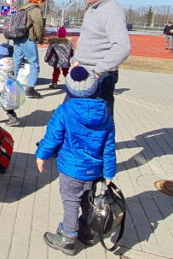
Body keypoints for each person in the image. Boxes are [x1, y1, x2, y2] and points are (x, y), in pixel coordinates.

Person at [35, 66, 117, 255]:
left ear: (70, 90)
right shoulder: (105, 113)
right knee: (88, 201)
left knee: (71, 201)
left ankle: (68, 238)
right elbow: (109, 145)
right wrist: (109, 172)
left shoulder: (64, 111)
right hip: (94, 170)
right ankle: (86, 230)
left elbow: (52, 137)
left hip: (72, 170)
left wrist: (41, 155)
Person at [71, 0, 131, 114]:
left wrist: (98, 71)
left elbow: (122, 47)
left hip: (99, 78)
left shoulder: (112, 12)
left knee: (100, 123)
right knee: (72, 118)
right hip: (82, 73)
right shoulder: (92, 9)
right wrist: (75, 60)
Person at [13, 0, 46, 99]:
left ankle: (12, 87)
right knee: (34, 64)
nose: (43, 5)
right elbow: (39, 25)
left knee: (16, 63)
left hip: (17, 38)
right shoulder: (35, 10)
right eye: (43, 3)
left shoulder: (22, 8)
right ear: (39, 1)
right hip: (28, 39)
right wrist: (40, 39)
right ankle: (30, 89)